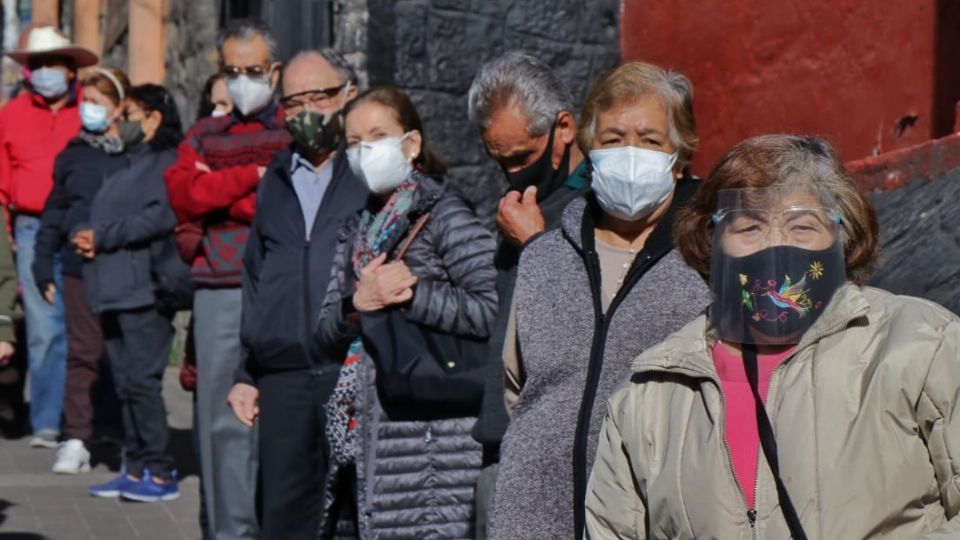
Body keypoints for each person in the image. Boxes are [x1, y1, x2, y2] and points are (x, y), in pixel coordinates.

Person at [585, 133, 960, 539]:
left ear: (841, 238)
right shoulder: (651, 393)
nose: (776, 246)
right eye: (749, 226)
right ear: (712, 244)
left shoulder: (922, 342)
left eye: (802, 226)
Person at [487, 62, 711, 540]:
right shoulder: (543, 258)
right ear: (589, 150)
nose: (630, 153)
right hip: (534, 517)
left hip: (658, 521)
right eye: (612, 139)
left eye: (649, 140)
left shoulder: (711, 260)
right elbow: (517, 389)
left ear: (679, 157)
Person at [316, 86, 497, 538]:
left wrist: (414, 296)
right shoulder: (355, 229)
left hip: (431, 435)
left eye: (378, 135)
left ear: (411, 144)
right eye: (354, 142)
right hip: (364, 430)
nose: (365, 151)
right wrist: (359, 304)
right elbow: (321, 334)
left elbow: (494, 309)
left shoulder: (444, 214)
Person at [225, 49, 365, 540]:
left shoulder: (369, 172)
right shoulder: (277, 179)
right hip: (283, 376)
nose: (308, 111)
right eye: (294, 102)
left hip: (351, 369)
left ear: (349, 93)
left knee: (355, 512)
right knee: (284, 517)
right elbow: (255, 278)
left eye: (320, 96)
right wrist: (246, 372)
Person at [164, 19, 289, 539]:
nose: (242, 81)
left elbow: (280, 203)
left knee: (278, 421)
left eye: (253, 71)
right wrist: (249, 180)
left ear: (275, 71)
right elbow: (183, 193)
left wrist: (221, 193)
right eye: (233, 72)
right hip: (220, 287)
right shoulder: (204, 132)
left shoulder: (291, 130)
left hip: (280, 288)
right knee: (220, 425)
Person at [465, 51, 588, 537]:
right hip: (506, 440)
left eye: (522, 158)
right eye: (499, 161)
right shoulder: (526, 203)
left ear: (564, 129)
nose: (512, 175)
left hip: (564, 449)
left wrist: (536, 246)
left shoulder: (601, 205)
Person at [78, 84, 182, 502]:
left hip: (145, 289)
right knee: (122, 383)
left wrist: (102, 236)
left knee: (142, 382)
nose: (119, 122)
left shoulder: (165, 162)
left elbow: (158, 216)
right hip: (113, 288)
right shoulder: (123, 163)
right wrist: (86, 235)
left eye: (130, 114)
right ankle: (134, 465)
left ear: (154, 118)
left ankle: (160, 471)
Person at [0, 26, 98, 448]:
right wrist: (7, 231)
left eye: (51, 64)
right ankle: (46, 421)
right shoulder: (11, 113)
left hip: (81, 227)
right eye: (36, 65)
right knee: (42, 328)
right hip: (30, 226)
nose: (43, 72)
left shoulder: (90, 112)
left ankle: (87, 421)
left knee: (84, 325)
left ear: (71, 70)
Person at [33, 66, 130, 474]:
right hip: (78, 268)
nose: (88, 109)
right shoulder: (72, 154)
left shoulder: (135, 154)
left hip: (126, 268)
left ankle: (123, 435)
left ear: (118, 108)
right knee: (82, 354)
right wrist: (42, 265)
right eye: (84, 101)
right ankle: (75, 438)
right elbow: (54, 211)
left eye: (97, 102)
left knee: (123, 356)